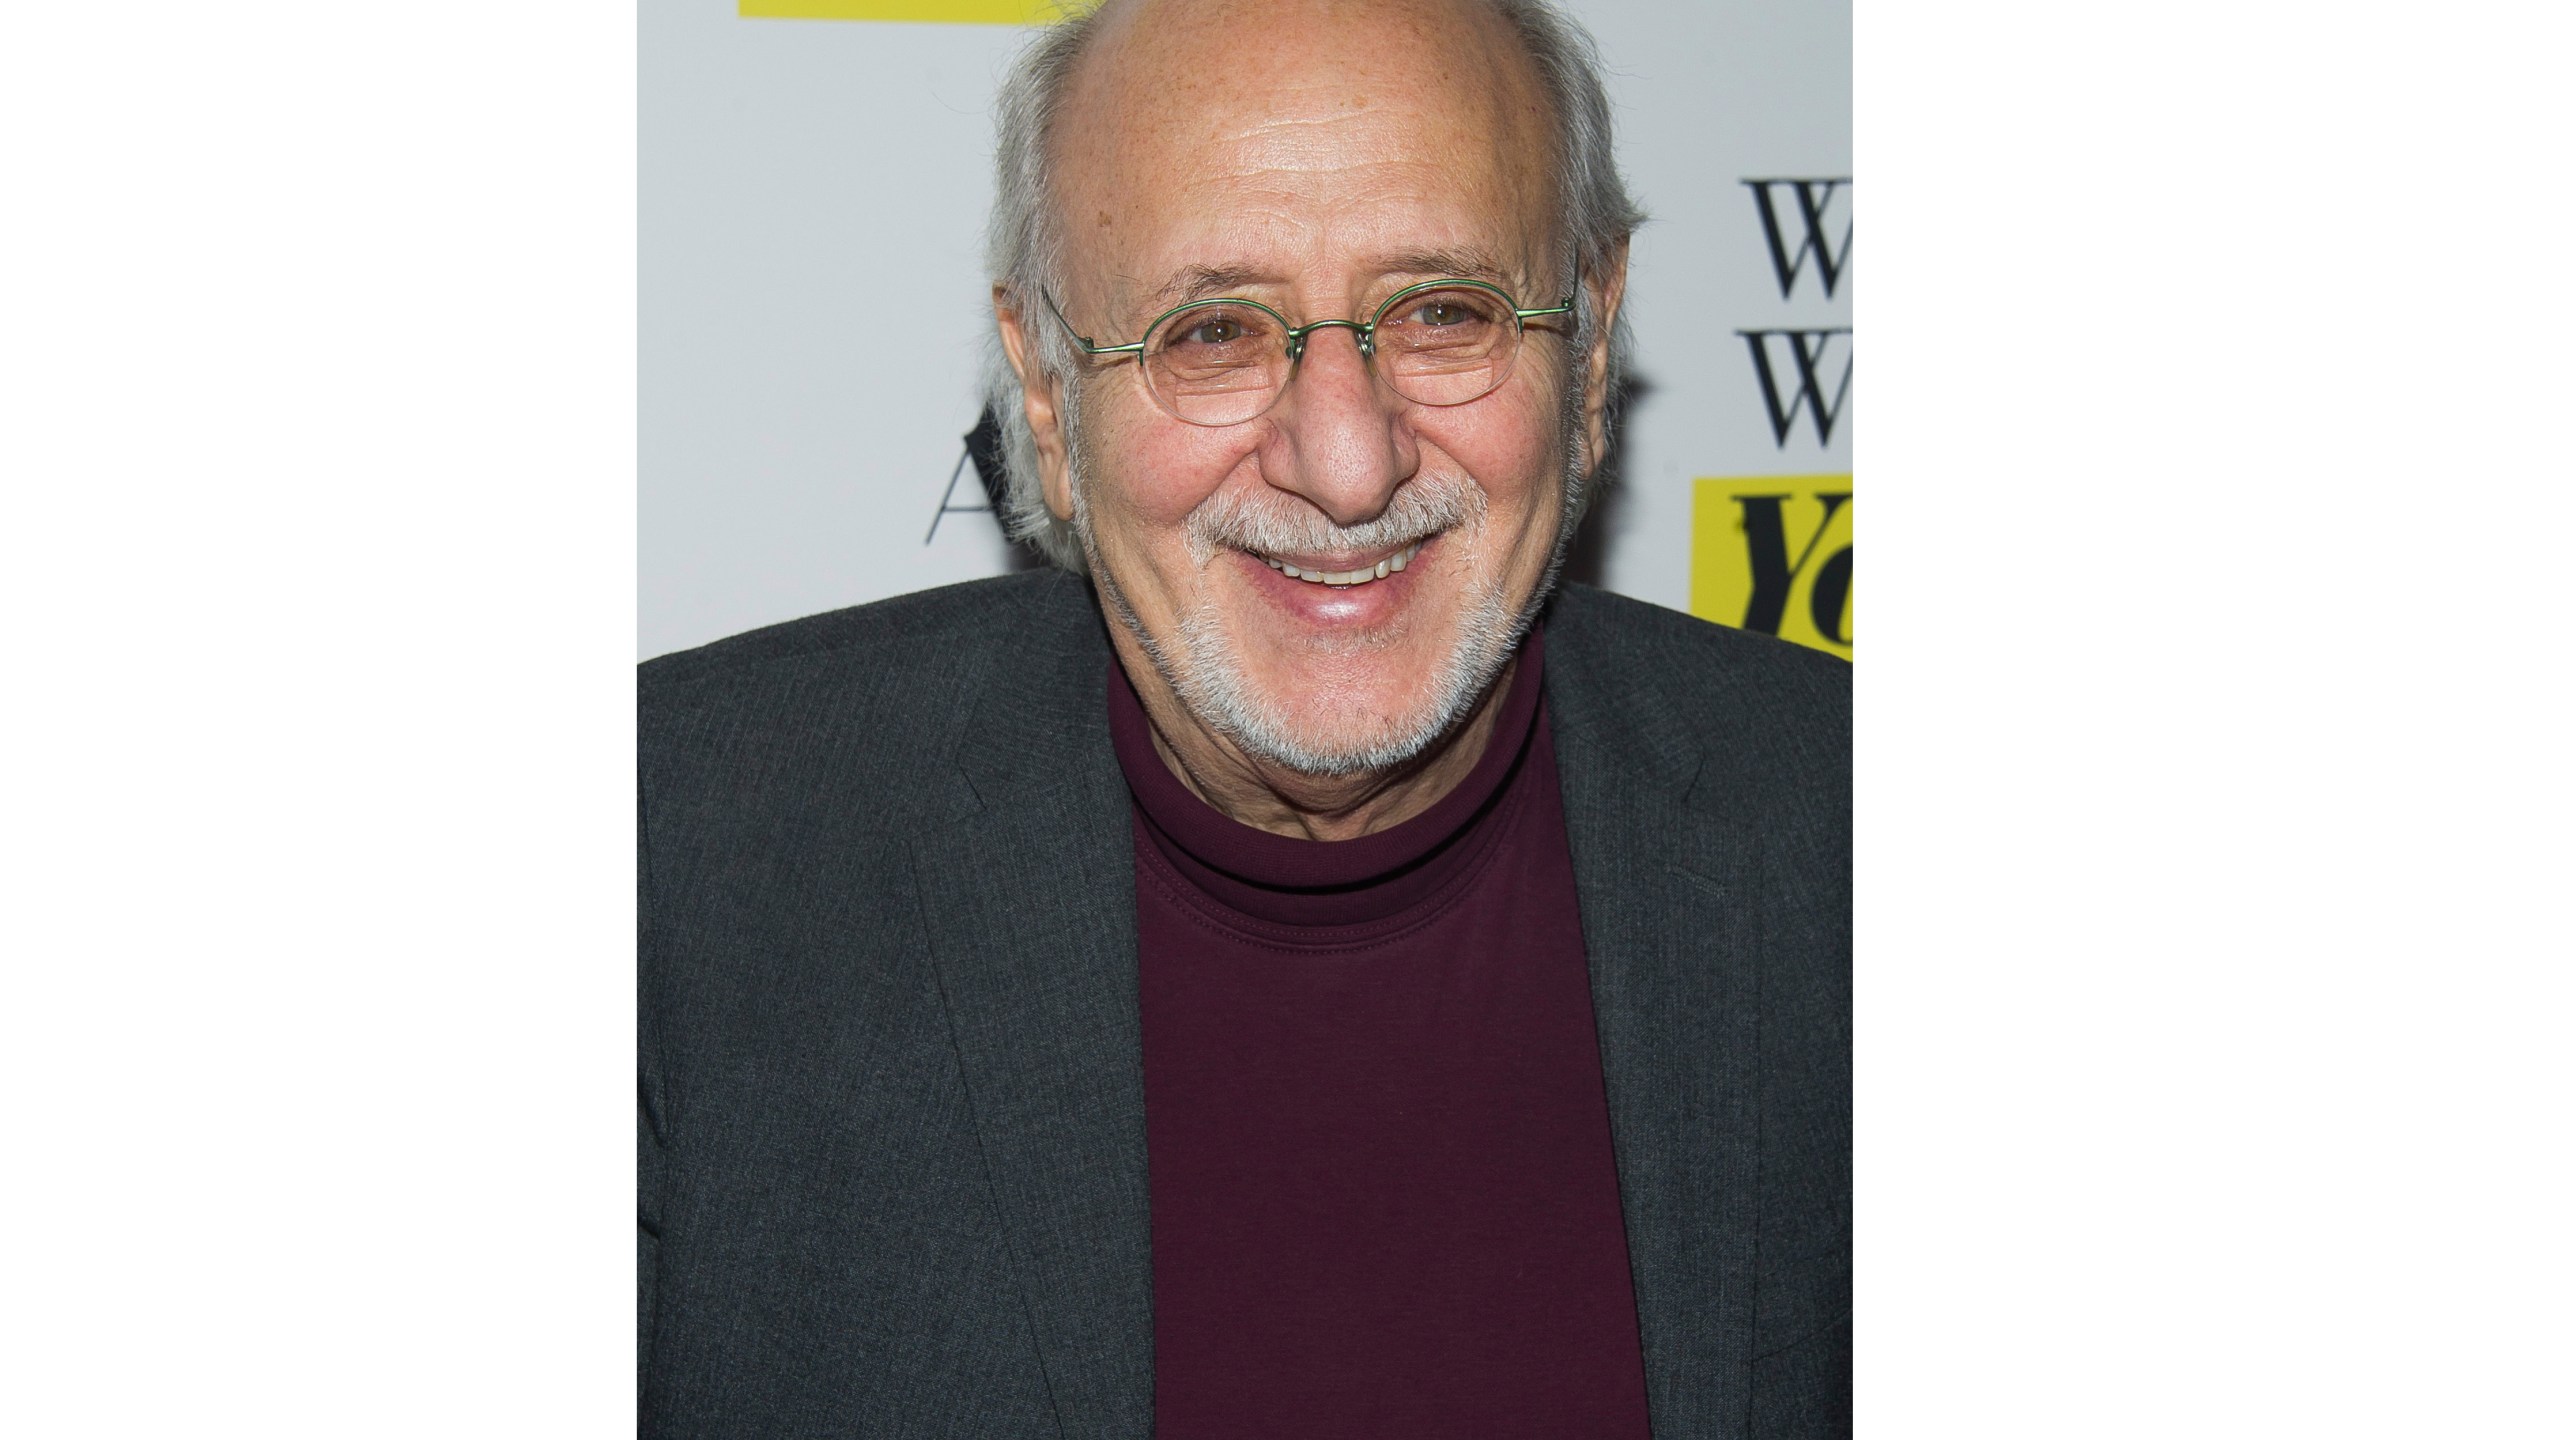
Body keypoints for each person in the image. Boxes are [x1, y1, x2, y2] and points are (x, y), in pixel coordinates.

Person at [638, 0, 1847, 1433]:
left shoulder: (1856, 834)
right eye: (1212, 331)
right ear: (1041, 390)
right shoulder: (669, 866)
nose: (1346, 463)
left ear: (1587, 349)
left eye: (1444, 310)